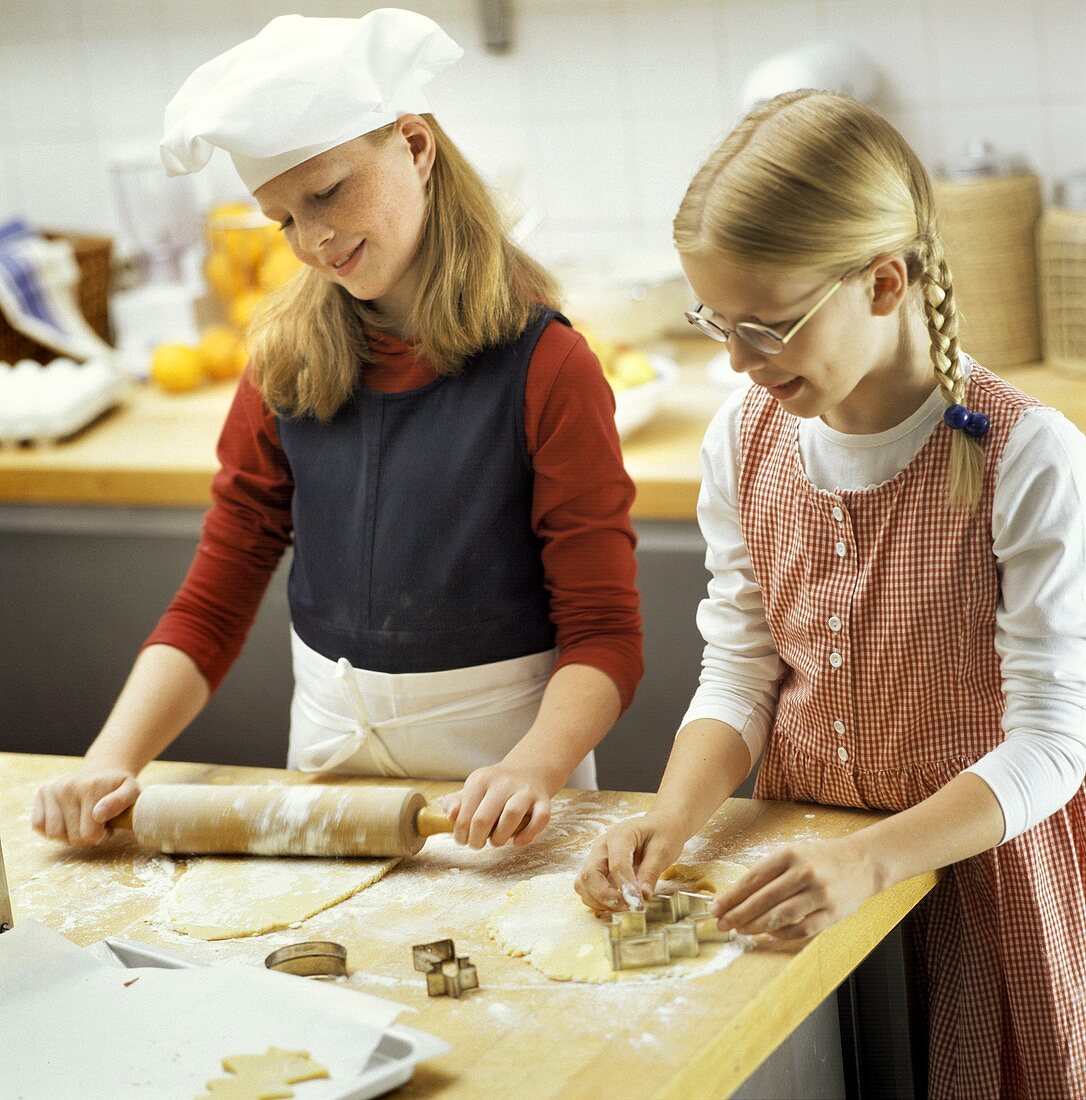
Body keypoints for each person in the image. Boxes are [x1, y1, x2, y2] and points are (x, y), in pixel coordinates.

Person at [575, 90, 1086, 1097]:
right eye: (715, 321)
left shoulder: (1020, 456)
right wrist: (675, 815)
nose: (734, 361)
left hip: (980, 876)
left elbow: (1057, 741)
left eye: (764, 326)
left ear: (884, 282)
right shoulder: (745, 438)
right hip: (802, 868)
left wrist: (877, 860)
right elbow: (740, 668)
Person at [32, 9, 641, 854]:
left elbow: (604, 632)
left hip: (500, 776)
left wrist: (535, 765)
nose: (313, 241)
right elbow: (215, 596)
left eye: (328, 192)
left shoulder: (548, 367)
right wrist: (110, 759)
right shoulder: (284, 359)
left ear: (416, 146)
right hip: (324, 770)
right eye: (282, 219)